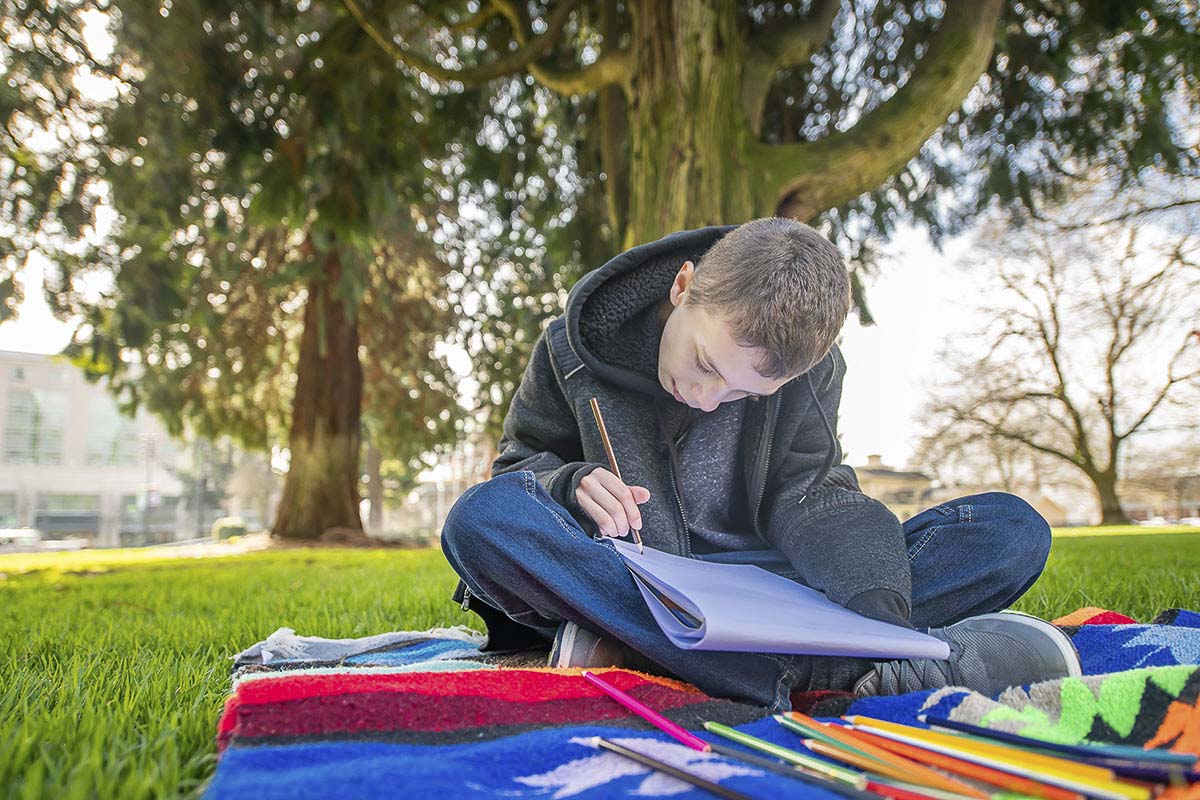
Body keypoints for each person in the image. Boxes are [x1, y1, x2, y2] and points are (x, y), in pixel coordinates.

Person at [440, 218, 1080, 711]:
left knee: (1010, 530)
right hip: (624, 579)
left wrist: (876, 604)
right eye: (706, 364)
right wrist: (569, 484)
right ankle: (806, 671)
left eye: (745, 394)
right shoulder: (569, 349)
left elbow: (810, 491)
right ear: (683, 286)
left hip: (770, 587)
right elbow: (519, 470)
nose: (708, 397)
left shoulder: (813, 372)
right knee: (480, 519)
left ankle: (665, 657)